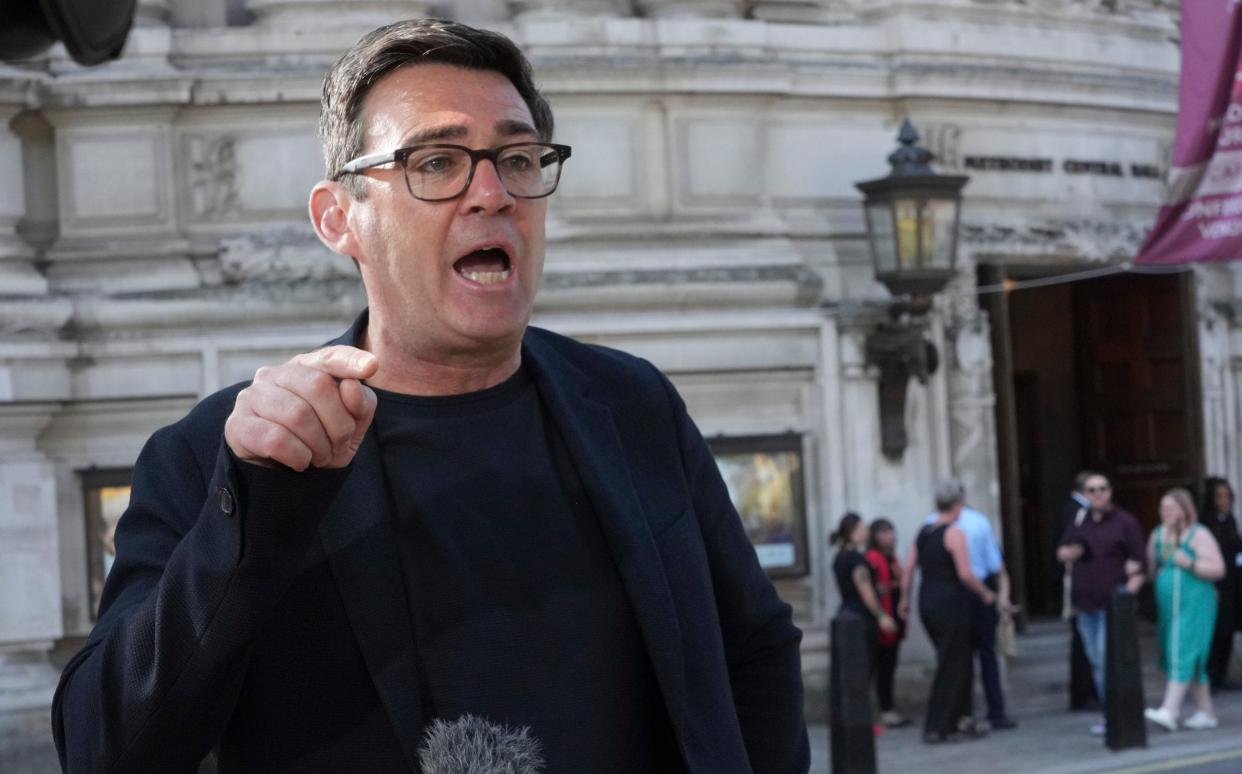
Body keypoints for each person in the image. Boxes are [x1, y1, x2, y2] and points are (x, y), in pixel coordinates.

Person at [51, 19, 810, 773]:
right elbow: (103, 748)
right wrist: (251, 511)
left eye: (517, 158)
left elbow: (754, 649)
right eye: (437, 161)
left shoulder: (633, 404)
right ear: (338, 218)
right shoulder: (223, 451)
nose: (491, 193)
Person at [900, 478, 995, 744]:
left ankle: (961, 720)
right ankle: (939, 725)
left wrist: (904, 600)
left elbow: (908, 570)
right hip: (951, 601)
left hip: (927, 600)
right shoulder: (954, 532)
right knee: (953, 664)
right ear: (959, 503)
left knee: (956, 661)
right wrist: (987, 593)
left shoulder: (923, 532)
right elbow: (966, 573)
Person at [1057, 471, 1146, 735]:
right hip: (1085, 604)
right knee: (1096, 660)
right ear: (1085, 495)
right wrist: (1070, 552)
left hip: (1113, 604)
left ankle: (1117, 714)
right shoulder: (1080, 521)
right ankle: (1111, 713)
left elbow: (1140, 564)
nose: (1098, 494)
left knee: (1109, 660)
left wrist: (1128, 596)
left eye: (1103, 488)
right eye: (1092, 490)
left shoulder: (1125, 522)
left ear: (1110, 491)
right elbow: (1062, 551)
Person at [922, 499, 1017, 730]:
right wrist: (992, 596)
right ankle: (993, 712)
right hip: (972, 593)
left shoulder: (929, 526)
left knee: (958, 658)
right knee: (985, 655)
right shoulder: (977, 525)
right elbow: (990, 571)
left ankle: (963, 714)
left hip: (951, 597)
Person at [1144, 488, 1226, 731]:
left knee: (1182, 649)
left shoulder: (1199, 534)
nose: (1164, 513)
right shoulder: (1158, 534)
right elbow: (1150, 569)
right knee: (1188, 656)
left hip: (1196, 603)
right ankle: (1206, 712)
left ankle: (1170, 710)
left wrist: (1190, 563)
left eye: (1170, 508)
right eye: (1162, 508)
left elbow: (1218, 569)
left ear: (1184, 509)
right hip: (1169, 607)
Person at [1060, 471, 1100, 711]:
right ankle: (1083, 694)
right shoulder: (1077, 511)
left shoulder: (1074, 508)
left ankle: (1086, 692)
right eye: (1096, 489)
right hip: (1081, 585)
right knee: (1084, 642)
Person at [865, 518, 909, 728]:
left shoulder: (891, 558)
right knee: (880, 668)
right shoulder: (872, 558)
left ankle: (886, 708)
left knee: (888, 667)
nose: (888, 536)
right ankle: (883, 710)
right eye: (883, 532)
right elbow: (872, 588)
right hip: (882, 622)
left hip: (894, 619)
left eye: (890, 531)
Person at [1201, 477, 1241, 690]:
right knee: (1216, 630)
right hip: (1215, 583)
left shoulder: (1229, 519)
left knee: (1228, 629)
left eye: (1227, 496)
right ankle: (1210, 674)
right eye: (1219, 496)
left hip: (1232, 582)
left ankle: (1221, 674)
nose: (1224, 501)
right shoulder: (1207, 522)